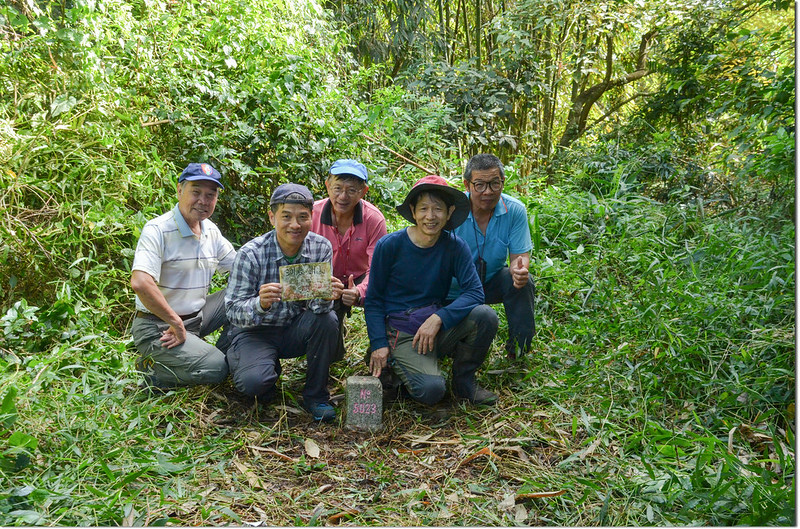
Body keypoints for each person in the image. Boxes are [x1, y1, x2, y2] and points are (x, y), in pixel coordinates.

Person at [365, 175, 499, 406]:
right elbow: (374, 300)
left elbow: (475, 292)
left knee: (485, 315)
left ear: (449, 213)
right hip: (401, 331)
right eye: (424, 208)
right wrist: (378, 343)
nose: (430, 216)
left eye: (438, 209)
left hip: (434, 326)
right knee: (432, 391)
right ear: (413, 211)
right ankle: (395, 366)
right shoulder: (390, 246)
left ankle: (464, 381)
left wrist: (439, 318)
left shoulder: (454, 246)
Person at [224, 183, 344, 422]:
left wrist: (325, 296)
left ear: (312, 217)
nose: (295, 225)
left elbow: (319, 312)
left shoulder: (320, 247)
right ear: (272, 217)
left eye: (302, 217)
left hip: (292, 328)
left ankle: (316, 396)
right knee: (254, 383)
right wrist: (260, 303)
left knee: (328, 319)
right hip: (254, 331)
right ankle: (262, 368)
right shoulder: (251, 253)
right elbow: (232, 311)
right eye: (286, 216)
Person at [130, 162, 236, 389]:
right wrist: (175, 322)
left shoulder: (210, 231)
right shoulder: (158, 229)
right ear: (179, 190)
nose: (203, 201)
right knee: (217, 368)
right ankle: (153, 375)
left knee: (237, 296)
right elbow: (140, 282)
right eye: (196, 192)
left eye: (210, 195)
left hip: (195, 318)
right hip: (157, 326)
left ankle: (208, 354)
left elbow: (241, 267)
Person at [450, 153, 536, 359]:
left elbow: (519, 256)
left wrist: (519, 269)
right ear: (467, 184)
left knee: (523, 283)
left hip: (488, 282)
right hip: (453, 288)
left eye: (494, 184)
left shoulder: (514, 210)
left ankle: (518, 350)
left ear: (503, 183)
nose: (487, 192)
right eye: (479, 185)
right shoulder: (452, 211)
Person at [311, 159, 387, 361]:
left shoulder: (374, 219)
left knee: (389, 297)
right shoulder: (311, 214)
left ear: (363, 191)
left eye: (351, 190)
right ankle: (332, 339)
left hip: (361, 277)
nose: (343, 196)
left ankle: (381, 353)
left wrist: (359, 291)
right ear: (327, 185)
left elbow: (377, 269)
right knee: (333, 355)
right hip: (327, 280)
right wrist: (324, 288)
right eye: (337, 188)